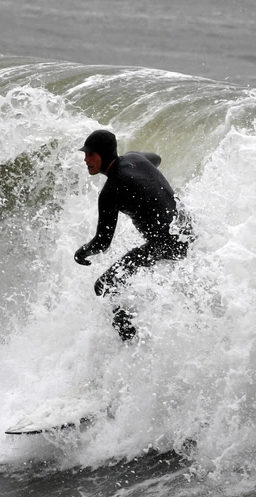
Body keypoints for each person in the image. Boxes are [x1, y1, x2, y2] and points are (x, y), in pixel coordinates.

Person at [74, 129, 192, 341]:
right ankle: (146, 320)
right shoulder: (136, 158)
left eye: (90, 154)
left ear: (103, 154)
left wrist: (82, 253)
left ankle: (132, 341)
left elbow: (102, 243)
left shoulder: (111, 191)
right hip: (186, 230)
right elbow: (156, 158)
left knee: (103, 286)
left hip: (165, 244)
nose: (86, 159)